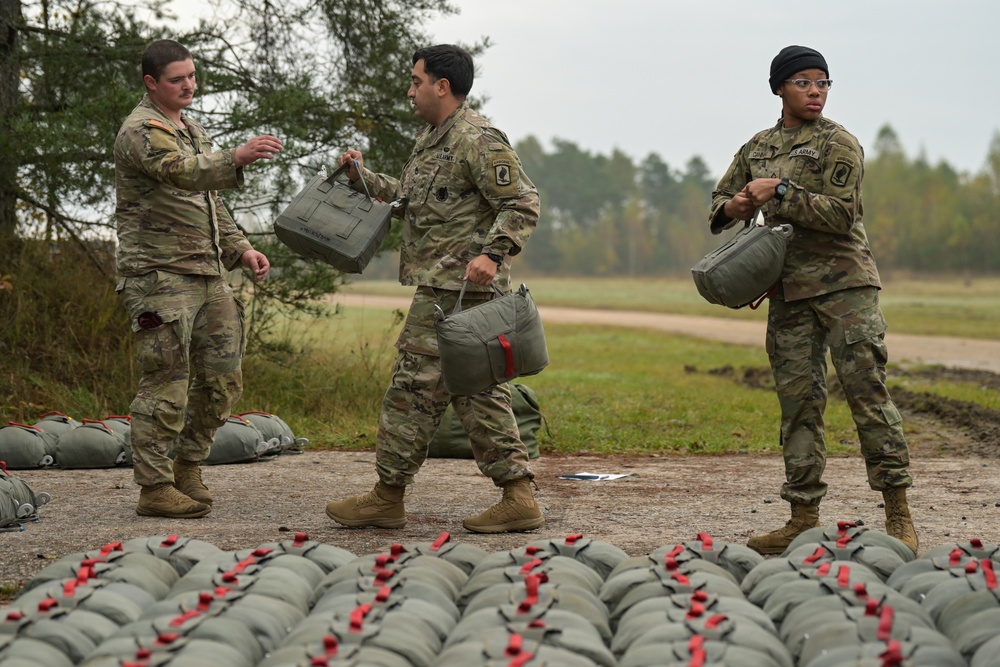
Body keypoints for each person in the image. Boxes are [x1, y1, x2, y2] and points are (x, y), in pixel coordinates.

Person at [325, 44, 543, 534]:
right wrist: (363, 179)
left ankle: (395, 496)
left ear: (442, 86)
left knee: (432, 392)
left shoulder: (477, 139)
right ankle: (508, 495)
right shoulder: (431, 141)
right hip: (439, 291)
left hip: (465, 294)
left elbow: (523, 201)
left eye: (416, 81)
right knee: (452, 393)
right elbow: (408, 202)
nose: (410, 90)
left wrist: (492, 254)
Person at [708, 45, 918, 555]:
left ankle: (899, 515)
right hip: (789, 294)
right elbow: (719, 205)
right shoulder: (757, 147)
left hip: (846, 288)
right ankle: (802, 516)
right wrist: (733, 204)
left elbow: (841, 215)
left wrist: (778, 191)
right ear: (779, 87)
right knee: (798, 404)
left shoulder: (838, 143)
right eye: (803, 82)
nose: (816, 91)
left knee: (867, 393)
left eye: (823, 82)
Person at [114, 39, 282, 518]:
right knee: (166, 381)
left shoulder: (191, 128)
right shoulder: (141, 131)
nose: (189, 85)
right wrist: (237, 156)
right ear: (152, 83)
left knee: (222, 380)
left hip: (207, 274)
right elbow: (183, 174)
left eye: (191, 76)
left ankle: (188, 467)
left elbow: (211, 202)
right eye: (176, 79)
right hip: (159, 277)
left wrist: (242, 248)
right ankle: (155, 487)